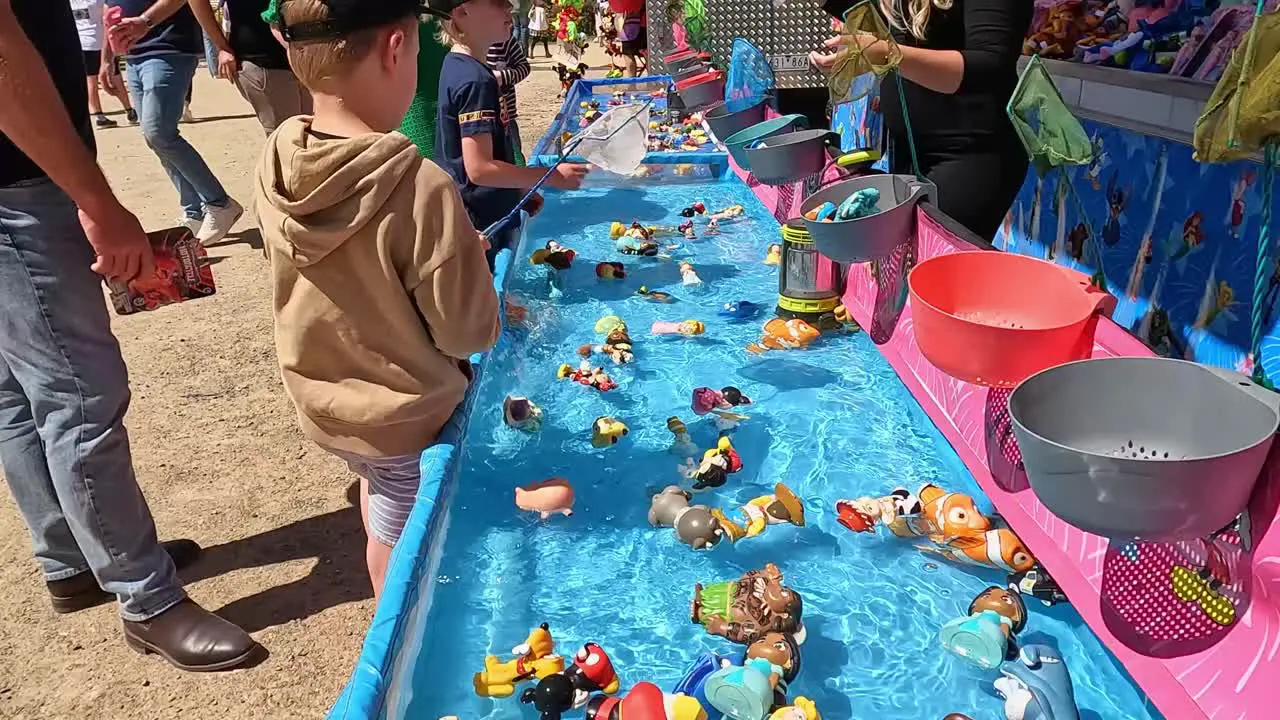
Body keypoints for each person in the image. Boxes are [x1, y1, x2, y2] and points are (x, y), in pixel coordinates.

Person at [0, 0, 258, 671]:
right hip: (20, 183)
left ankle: (73, 558)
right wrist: (93, 198)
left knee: (18, 393)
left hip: (18, 178)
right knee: (77, 397)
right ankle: (146, 598)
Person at [256, 0, 502, 599]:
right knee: (403, 537)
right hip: (402, 416)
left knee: (377, 489)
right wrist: (465, 258)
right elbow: (466, 334)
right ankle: (392, 640)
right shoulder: (420, 186)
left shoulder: (276, 159)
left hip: (327, 401)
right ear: (396, 49)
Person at [810, 0, 1032, 241]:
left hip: (969, 153)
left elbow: (990, 68)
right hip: (910, 151)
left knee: (935, 269)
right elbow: (884, 22)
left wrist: (886, 53)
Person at [431, 0, 587, 266]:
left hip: (472, 210)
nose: (510, 8)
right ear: (461, 12)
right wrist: (549, 176)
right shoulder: (475, 81)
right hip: (481, 222)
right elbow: (479, 169)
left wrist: (516, 190)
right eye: (498, 2)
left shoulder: (457, 65)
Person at [100, 0, 244, 245]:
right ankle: (194, 211)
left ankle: (219, 203)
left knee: (159, 133)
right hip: (134, 55)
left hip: (168, 48)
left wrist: (145, 22)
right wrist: (106, 60)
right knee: (153, 136)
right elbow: (109, 11)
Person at [188, 0, 311, 134]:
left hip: (309, 56)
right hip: (263, 60)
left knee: (311, 134)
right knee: (288, 138)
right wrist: (222, 46)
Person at [71, 0, 137, 127]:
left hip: (82, 42)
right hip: (99, 42)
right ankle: (129, 110)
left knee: (91, 81)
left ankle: (98, 116)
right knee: (115, 77)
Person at [486, 33, 529, 164]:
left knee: (513, 154)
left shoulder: (505, 40)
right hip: (481, 119)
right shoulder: (465, 45)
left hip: (506, 116)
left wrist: (502, 77)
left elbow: (524, 68)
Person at [618, 6, 644, 77]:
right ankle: (653, 81)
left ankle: (632, 83)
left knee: (628, 54)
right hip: (645, 23)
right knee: (647, 54)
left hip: (630, 25)